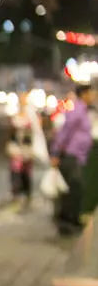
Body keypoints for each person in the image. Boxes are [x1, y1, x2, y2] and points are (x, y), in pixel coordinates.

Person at [51, 83, 97, 236]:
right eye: (91, 93)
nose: (94, 96)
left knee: (76, 187)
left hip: (79, 156)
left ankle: (72, 220)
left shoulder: (85, 111)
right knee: (73, 187)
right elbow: (65, 132)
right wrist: (56, 153)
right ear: (84, 94)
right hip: (71, 155)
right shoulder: (77, 110)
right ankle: (66, 222)